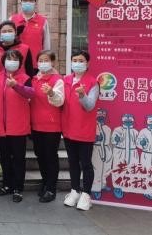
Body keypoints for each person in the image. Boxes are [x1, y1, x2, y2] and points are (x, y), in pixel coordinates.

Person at [0, 49, 33, 203]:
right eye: (9, 58)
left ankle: (18, 188)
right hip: (1, 126)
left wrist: (16, 86)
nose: (11, 61)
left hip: (18, 126)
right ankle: (7, 185)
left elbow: (31, 93)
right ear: (3, 61)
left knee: (18, 159)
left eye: (15, 59)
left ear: (20, 63)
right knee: (5, 158)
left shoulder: (25, 78)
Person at [61, 50, 99, 211]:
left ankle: (86, 194)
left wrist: (82, 95)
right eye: (75, 60)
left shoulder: (93, 82)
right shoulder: (66, 80)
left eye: (81, 60)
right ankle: (75, 190)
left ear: (87, 63)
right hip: (68, 129)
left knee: (86, 163)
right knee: (72, 162)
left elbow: (90, 106)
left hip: (84, 130)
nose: (77, 63)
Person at [30, 50, 63, 203]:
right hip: (36, 124)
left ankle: (51, 188)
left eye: (46, 60)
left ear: (53, 62)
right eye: (40, 60)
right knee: (40, 155)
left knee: (50, 156)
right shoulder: (34, 79)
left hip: (51, 125)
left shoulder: (57, 80)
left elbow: (60, 101)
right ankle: (45, 182)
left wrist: (51, 93)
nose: (43, 63)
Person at [10, 0, 50, 68]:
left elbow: (46, 44)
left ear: (35, 4)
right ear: (21, 3)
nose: (28, 2)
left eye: (31, 0)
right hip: (16, 63)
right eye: (25, 0)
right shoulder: (12, 19)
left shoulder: (43, 21)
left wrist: (46, 62)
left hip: (35, 64)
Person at [110, 114, 139, 199]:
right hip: (120, 151)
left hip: (132, 152)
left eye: (130, 121)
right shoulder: (118, 130)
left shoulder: (135, 131)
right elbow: (113, 139)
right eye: (126, 121)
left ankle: (130, 186)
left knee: (132, 169)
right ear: (123, 121)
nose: (128, 123)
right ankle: (117, 187)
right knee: (118, 169)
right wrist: (116, 139)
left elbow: (138, 143)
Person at [91, 109, 113, 200]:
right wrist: (95, 138)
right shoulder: (93, 126)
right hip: (97, 148)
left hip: (106, 149)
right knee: (97, 169)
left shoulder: (107, 128)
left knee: (106, 169)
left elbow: (110, 140)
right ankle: (96, 188)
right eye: (99, 116)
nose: (101, 118)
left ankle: (103, 185)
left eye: (102, 117)